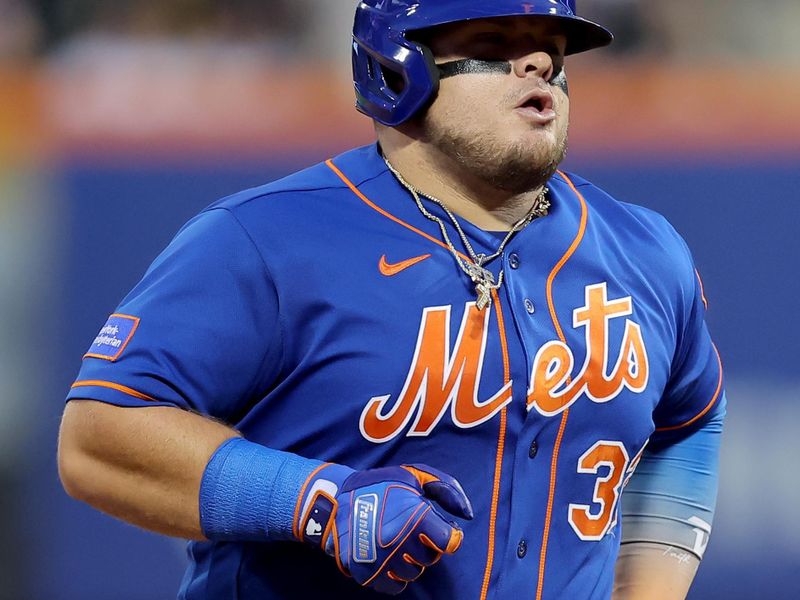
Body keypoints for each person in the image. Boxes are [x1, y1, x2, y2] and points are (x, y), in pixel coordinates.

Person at [57, 1, 726, 599]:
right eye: (494, 43)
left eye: (550, 49)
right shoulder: (266, 239)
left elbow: (690, 421)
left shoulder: (645, 251)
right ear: (398, 68)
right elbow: (98, 438)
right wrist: (315, 501)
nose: (536, 67)